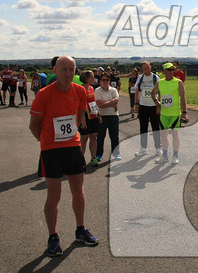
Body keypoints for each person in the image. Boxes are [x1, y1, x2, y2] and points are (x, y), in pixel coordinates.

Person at [29, 55, 99, 257]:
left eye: (71, 69)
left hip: (73, 147)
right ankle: (53, 237)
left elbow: (79, 112)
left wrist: (75, 129)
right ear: (55, 71)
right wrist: (46, 142)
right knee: (55, 195)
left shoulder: (80, 91)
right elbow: (34, 126)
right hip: (52, 150)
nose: (68, 74)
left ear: (75, 71)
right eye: (63, 69)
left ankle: (80, 229)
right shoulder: (44, 94)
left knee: (79, 191)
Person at [152, 62, 187, 165]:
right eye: (169, 69)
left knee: (175, 135)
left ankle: (175, 155)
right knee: (163, 135)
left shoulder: (178, 82)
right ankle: (165, 155)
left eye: (173, 69)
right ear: (164, 71)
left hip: (175, 113)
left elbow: (183, 98)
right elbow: (152, 92)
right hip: (164, 114)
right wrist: (156, 102)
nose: (172, 71)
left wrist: (184, 113)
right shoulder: (160, 82)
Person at [133, 62, 162, 157]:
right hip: (143, 106)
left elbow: (160, 92)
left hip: (154, 106)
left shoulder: (155, 78)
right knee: (143, 128)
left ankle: (158, 148)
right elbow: (137, 90)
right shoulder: (140, 78)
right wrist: (136, 104)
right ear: (142, 69)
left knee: (156, 128)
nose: (146, 70)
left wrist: (159, 105)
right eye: (144, 69)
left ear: (150, 67)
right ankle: (143, 148)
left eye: (147, 68)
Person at [95, 72, 121, 162]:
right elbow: (99, 104)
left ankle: (116, 153)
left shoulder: (113, 90)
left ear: (110, 80)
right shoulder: (97, 91)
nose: (105, 81)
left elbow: (116, 101)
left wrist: (104, 103)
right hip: (102, 116)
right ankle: (98, 155)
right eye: (103, 80)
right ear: (100, 81)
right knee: (100, 137)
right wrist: (111, 103)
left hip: (113, 116)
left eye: (107, 80)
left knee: (114, 136)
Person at [78, 70, 100, 166]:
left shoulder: (91, 88)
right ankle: (80, 160)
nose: (93, 79)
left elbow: (94, 103)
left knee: (94, 137)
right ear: (85, 78)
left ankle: (93, 158)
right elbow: (80, 106)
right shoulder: (81, 89)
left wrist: (99, 115)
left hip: (93, 115)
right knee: (84, 138)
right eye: (91, 77)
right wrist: (83, 121)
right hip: (85, 116)